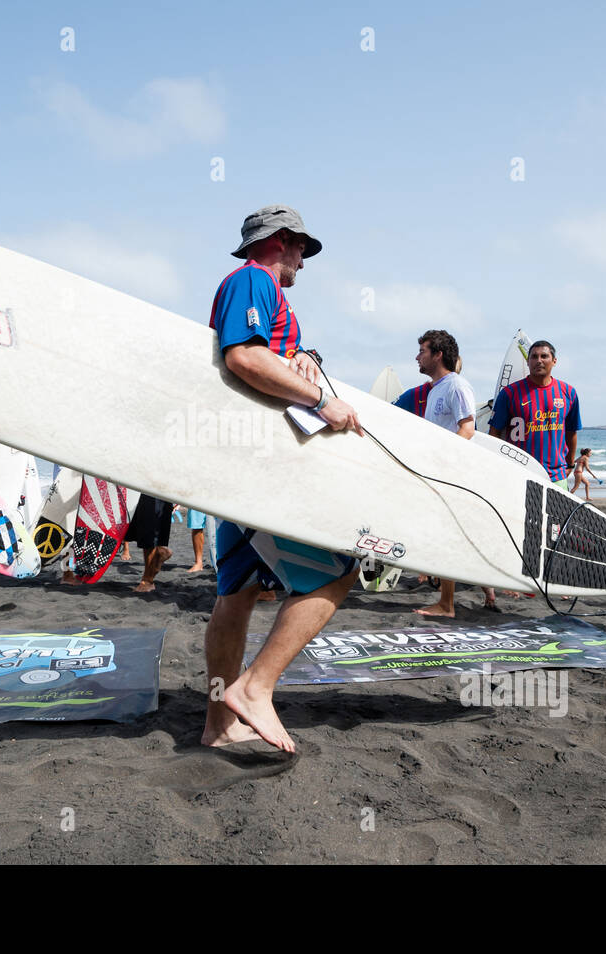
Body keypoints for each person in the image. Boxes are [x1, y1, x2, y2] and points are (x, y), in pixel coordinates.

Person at [203, 205, 362, 753]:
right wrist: (325, 400)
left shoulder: (264, 294)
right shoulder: (252, 279)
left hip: (235, 464)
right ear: (283, 241)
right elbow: (245, 357)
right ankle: (256, 688)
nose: (304, 261)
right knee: (337, 573)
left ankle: (217, 724)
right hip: (257, 468)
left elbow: (269, 350)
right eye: (301, 249)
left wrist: (305, 356)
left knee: (237, 594)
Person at [394, 329, 496, 615]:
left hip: (450, 471)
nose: (417, 356)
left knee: (449, 536)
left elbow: (468, 428)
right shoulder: (436, 388)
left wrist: (442, 458)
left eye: (423, 351)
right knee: (447, 535)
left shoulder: (456, 386)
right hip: (437, 470)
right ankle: (459, 597)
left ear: (438, 354)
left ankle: (447, 604)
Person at [488, 340, 581, 488]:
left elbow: (571, 432)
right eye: (534, 357)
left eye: (544, 356)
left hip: (556, 476)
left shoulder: (568, 392)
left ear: (554, 361)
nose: (539, 361)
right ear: (527, 361)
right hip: (519, 472)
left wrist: (570, 464)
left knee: (556, 512)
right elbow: (494, 432)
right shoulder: (509, 393)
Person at [128, 494, 174, 592]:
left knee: (149, 534)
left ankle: (147, 581)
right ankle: (160, 552)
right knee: (147, 533)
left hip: (156, 491)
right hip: (153, 490)